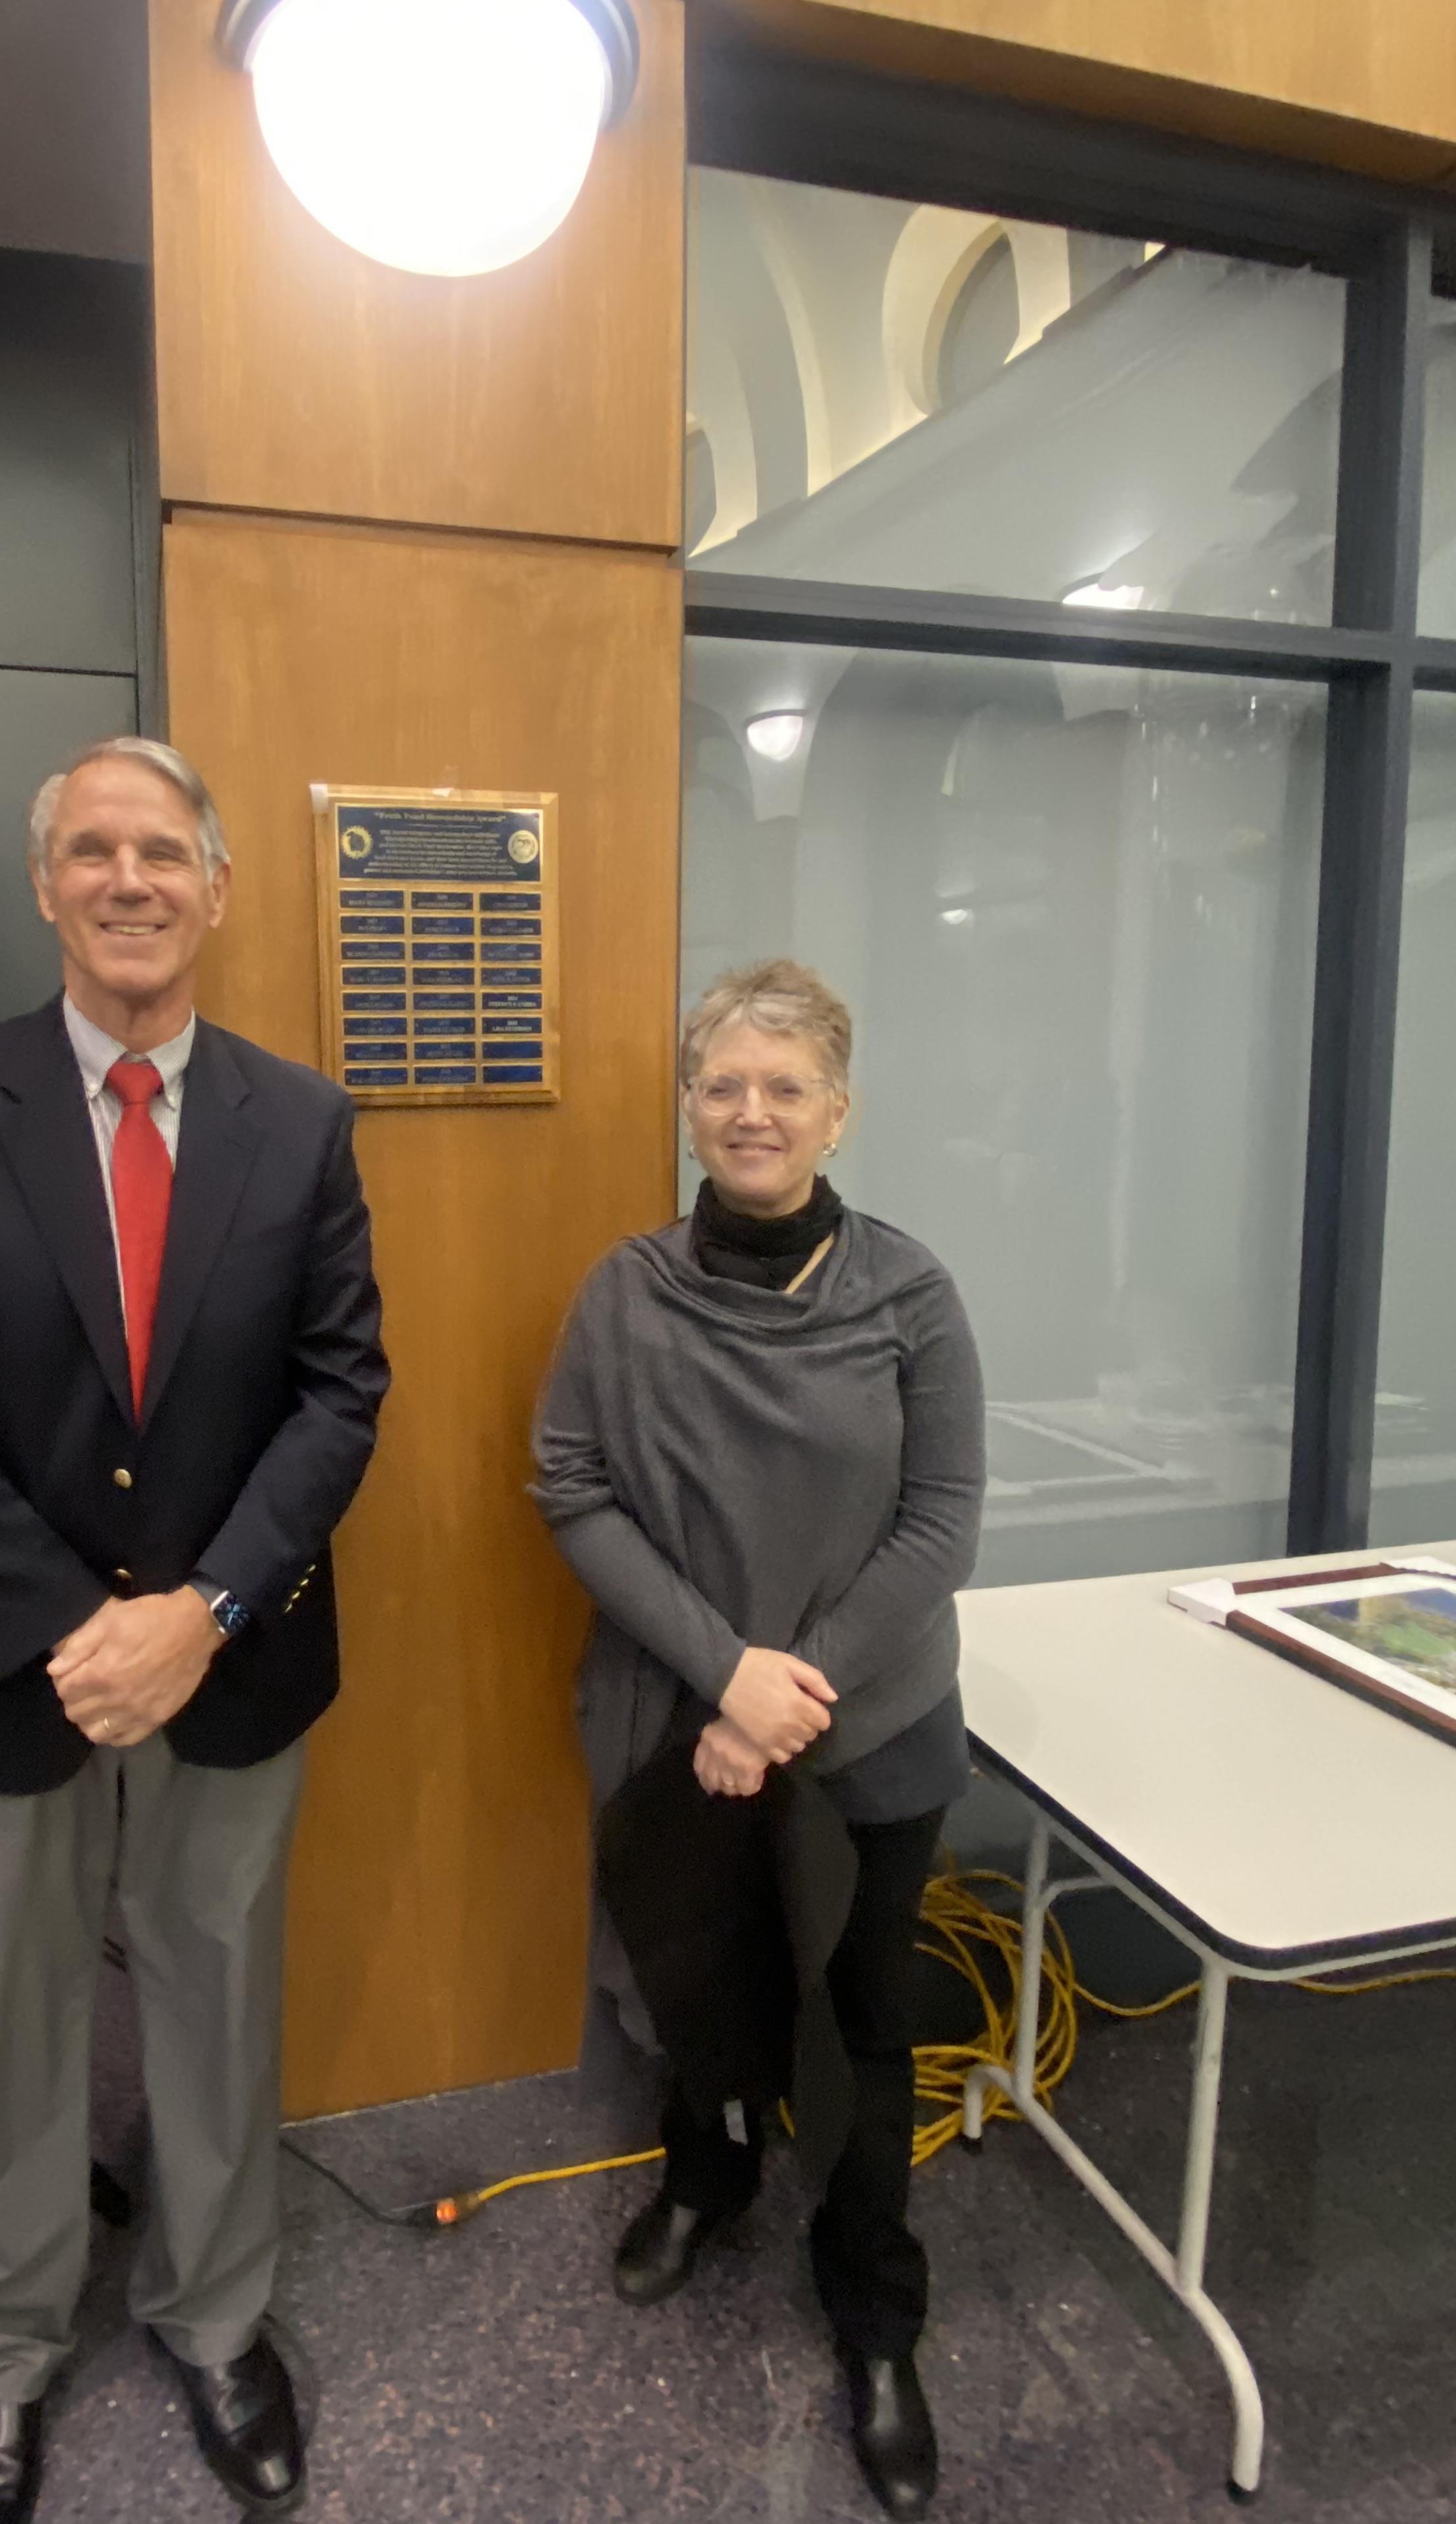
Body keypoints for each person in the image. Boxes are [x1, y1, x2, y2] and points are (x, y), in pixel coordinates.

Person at [0, 737, 388, 2524]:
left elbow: (339, 1392)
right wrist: (88, 1630)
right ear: (47, 885)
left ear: (218, 889)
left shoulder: (296, 1120)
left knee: (220, 1997)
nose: (129, 878)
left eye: (162, 850)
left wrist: (204, 1612)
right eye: (94, 850)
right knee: (5, 2013)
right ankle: (2, 2353)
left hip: (233, 1663)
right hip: (5, 1662)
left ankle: (216, 2319)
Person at [532, 959, 984, 2521]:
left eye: (786, 1086)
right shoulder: (625, 1291)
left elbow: (941, 1523)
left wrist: (794, 1699)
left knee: (864, 2025)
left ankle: (874, 2311)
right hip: (688, 1727)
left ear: (837, 1112)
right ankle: (706, 2181)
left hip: (872, 1736)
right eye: (724, 1083)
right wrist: (728, 1680)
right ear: (690, 1104)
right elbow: (571, 1485)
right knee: (700, 1976)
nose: (752, 1111)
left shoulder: (909, 1294)